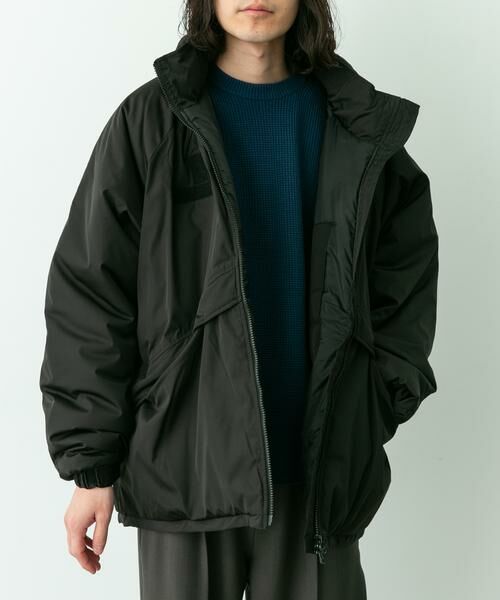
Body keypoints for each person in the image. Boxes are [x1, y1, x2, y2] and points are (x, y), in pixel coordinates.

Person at [39, 0, 439, 598]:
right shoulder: (150, 122)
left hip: (317, 472)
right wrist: (91, 468)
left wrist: (370, 404)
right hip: (185, 465)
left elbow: (406, 278)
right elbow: (92, 292)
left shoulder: (357, 126)